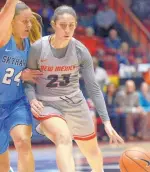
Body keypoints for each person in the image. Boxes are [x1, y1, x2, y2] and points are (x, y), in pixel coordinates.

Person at [25, 5, 124, 172]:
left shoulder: (80, 50)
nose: (67, 29)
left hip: (75, 103)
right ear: (54, 24)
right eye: (63, 25)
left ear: (76, 25)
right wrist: (32, 98)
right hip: (47, 104)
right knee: (63, 138)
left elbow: (93, 87)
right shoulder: (38, 48)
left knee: (93, 154)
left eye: (71, 25)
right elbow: (28, 81)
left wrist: (106, 122)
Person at [0, 1, 42, 172]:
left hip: (17, 103)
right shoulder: (3, 40)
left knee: (23, 141)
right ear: (11, 21)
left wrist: (26, 76)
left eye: (30, 21)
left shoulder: (31, 46)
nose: (29, 25)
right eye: (24, 21)